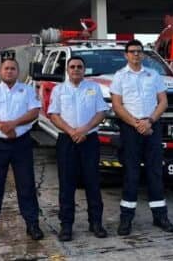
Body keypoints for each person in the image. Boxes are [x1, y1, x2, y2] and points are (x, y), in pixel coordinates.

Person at [109, 39, 173, 235]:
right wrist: (136, 124)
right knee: (131, 174)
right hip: (131, 129)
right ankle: (126, 219)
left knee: (155, 172)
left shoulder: (153, 75)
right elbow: (117, 106)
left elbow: (163, 102)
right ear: (126, 55)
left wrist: (150, 121)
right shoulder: (119, 77)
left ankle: (160, 217)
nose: (136, 54)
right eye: (132, 51)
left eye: (139, 51)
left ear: (144, 54)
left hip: (152, 127)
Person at [0, 58, 43, 244]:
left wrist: (13, 124)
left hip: (21, 143)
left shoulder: (27, 90)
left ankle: (32, 225)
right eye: (6, 68)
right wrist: (2, 126)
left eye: (13, 68)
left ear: (17, 71)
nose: (9, 71)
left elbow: (34, 112)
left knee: (27, 185)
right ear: (0, 71)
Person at [47, 56, 108, 241]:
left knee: (92, 182)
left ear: (84, 70)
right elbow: (54, 115)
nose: (76, 69)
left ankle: (96, 223)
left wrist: (84, 130)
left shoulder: (93, 88)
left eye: (79, 67)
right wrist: (72, 131)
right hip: (67, 140)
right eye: (72, 67)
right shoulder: (59, 90)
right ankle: (66, 226)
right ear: (67, 70)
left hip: (89, 139)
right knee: (67, 185)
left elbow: (101, 112)